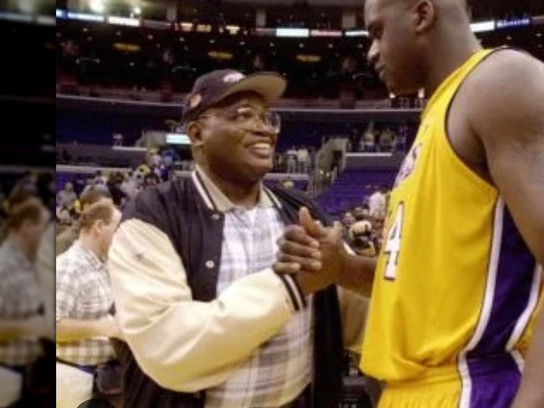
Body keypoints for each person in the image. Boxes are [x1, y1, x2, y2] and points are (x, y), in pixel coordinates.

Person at [277, 0, 544, 406]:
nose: (371, 52)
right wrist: (342, 269)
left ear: (422, 15)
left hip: (473, 386)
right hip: (412, 391)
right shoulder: (440, 114)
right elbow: (431, 289)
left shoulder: (502, 83)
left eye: (377, 32)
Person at [106, 69, 367, 408]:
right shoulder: (153, 212)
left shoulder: (303, 210)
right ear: (197, 133)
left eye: (267, 118)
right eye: (243, 115)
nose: (263, 129)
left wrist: (356, 270)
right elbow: (169, 348)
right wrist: (289, 285)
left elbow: (360, 321)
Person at [55, 200, 124, 408]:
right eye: (117, 228)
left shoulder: (101, 265)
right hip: (74, 379)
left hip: (101, 379)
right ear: (99, 227)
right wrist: (103, 327)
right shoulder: (69, 267)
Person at [0, 199, 54, 407]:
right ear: (27, 227)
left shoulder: (28, 264)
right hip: (1, 378)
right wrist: (31, 327)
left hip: (28, 378)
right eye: (44, 228)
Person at [55, 187, 112, 256]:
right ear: (87, 208)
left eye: (111, 210)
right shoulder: (66, 242)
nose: (109, 214)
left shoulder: (104, 239)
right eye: (102, 209)